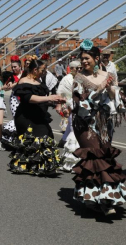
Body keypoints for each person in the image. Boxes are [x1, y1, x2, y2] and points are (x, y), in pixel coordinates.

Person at [71, 40, 126, 215]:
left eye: (87, 58)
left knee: (105, 155)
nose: (84, 62)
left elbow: (116, 98)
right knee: (94, 157)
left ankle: (102, 197)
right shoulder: (79, 78)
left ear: (96, 58)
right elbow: (79, 102)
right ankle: (99, 200)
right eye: (82, 59)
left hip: (104, 122)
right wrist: (99, 89)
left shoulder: (108, 75)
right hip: (85, 122)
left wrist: (110, 88)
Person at [8, 60, 64, 176]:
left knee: (46, 136)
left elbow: (42, 98)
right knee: (30, 140)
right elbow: (29, 98)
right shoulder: (23, 81)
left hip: (38, 114)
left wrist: (55, 101)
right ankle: (27, 165)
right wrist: (49, 98)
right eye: (42, 70)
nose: (44, 72)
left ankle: (43, 166)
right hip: (25, 116)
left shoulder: (39, 80)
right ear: (35, 70)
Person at [56, 60, 82, 172]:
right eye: (78, 68)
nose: (80, 70)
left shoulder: (82, 77)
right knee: (74, 131)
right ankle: (70, 162)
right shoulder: (67, 79)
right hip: (72, 106)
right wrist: (62, 106)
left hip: (83, 107)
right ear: (72, 69)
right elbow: (61, 93)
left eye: (81, 68)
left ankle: (80, 161)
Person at [2, 56, 23, 145]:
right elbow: (5, 88)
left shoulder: (25, 74)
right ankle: (12, 138)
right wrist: (9, 85)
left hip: (25, 99)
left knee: (24, 118)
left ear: (20, 66)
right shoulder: (11, 76)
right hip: (15, 99)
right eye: (12, 67)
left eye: (15, 67)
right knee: (17, 118)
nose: (13, 68)